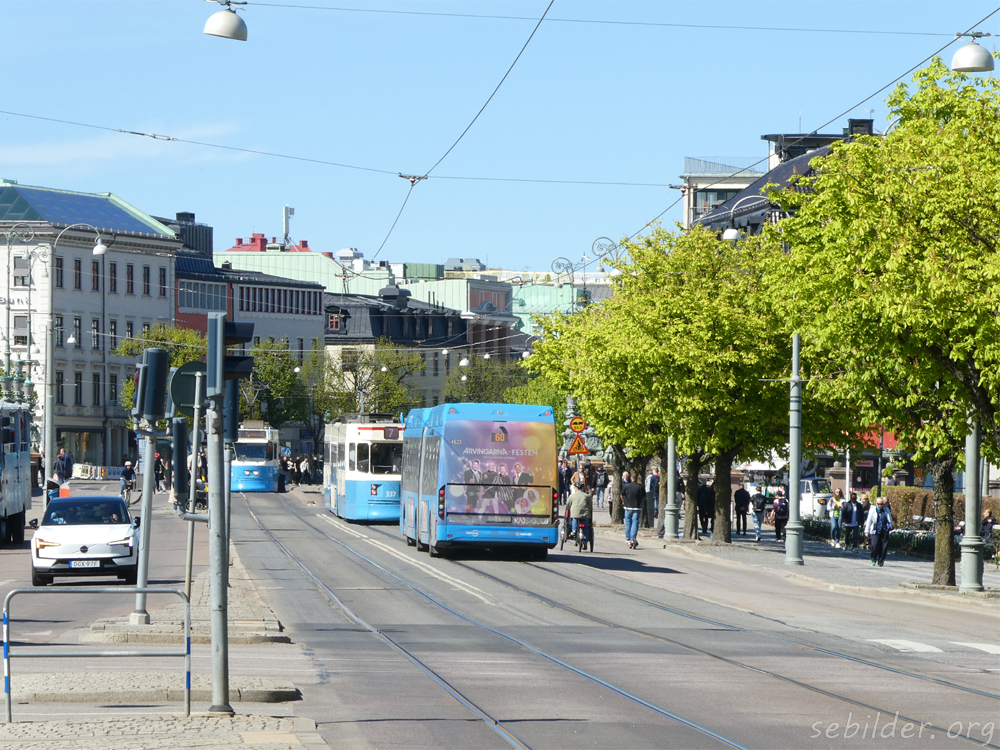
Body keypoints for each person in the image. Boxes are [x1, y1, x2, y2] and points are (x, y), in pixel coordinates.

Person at [865, 494, 894, 567]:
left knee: (883, 546)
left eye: (881, 504)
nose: (880, 505)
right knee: (875, 545)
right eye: (878, 504)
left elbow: (889, 518)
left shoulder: (886, 509)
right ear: (876, 503)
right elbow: (869, 521)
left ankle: (881, 561)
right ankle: (873, 558)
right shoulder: (872, 510)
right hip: (875, 530)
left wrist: (890, 526)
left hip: (884, 530)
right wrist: (867, 531)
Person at [620, 470, 645, 549]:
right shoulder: (640, 487)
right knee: (635, 522)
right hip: (637, 507)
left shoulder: (626, 486)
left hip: (628, 506)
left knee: (628, 523)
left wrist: (624, 501)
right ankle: (633, 538)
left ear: (631, 478)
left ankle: (628, 539)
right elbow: (644, 497)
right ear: (637, 479)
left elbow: (621, 495)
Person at [567, 476, 593, 546]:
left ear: (576, 488)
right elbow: (590, 506)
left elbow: (568, 504)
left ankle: (574, 530)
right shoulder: (587, 496)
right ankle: (586, 541)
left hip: (575, 514)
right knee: (586, 527)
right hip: (585, 515)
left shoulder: (572, 496)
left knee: (575, 519)